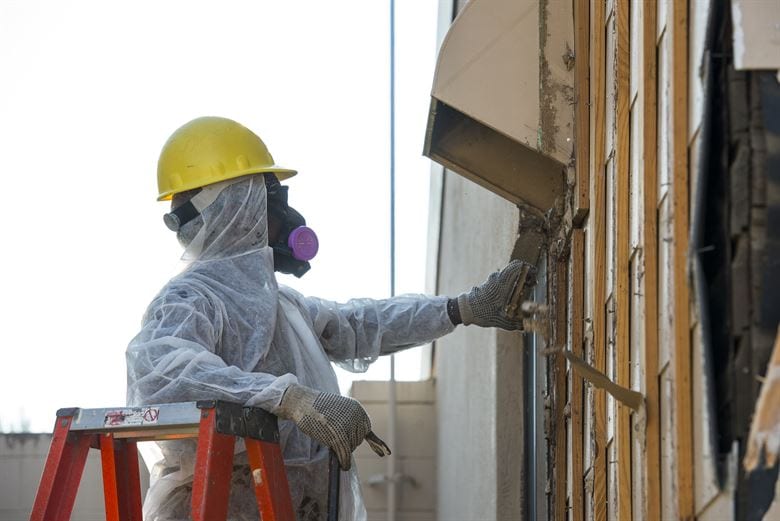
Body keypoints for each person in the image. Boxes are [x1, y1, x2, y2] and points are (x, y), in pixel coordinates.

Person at [126, 116, 529, 521]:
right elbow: (157, 372)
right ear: (235, 207)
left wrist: (462, 308)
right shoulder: (192, 299)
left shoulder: (284, 308)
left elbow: (360, 324)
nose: (282, 214)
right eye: (270, 198)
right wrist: (289, 398)